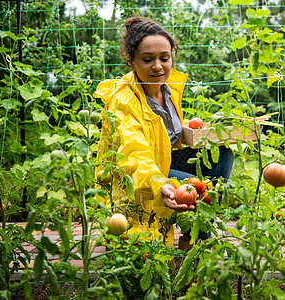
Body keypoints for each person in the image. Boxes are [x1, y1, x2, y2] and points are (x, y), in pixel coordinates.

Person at [93, 16, 233, 246]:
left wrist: (188, 126)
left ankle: (196, 235)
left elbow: (159, 131)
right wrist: (161, 185)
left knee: (222, 154)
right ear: (131, 61)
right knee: (200, 190)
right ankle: (201, 239)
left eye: (164, 58)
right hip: (134, 172)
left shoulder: (166, 89)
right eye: (147, 59)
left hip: (162, 160)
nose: (158, 66)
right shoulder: (124, 100)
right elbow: (134, 151)